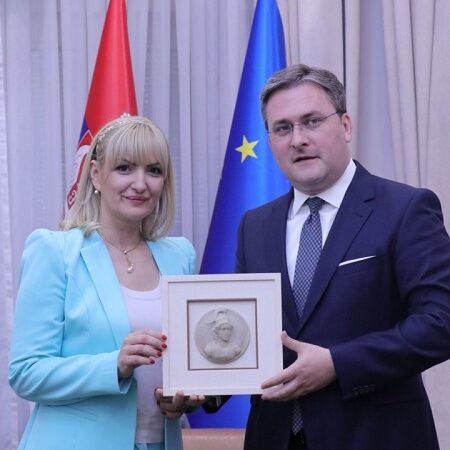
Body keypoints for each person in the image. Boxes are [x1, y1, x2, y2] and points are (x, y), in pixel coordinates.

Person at [235, 64, 450, 449]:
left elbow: (441, 321)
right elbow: (245, 332)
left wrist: (338, 363)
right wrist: (200, 389)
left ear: (346, 126)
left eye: (312, 121)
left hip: (376, 437)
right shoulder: (255, 225)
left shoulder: (405, 209)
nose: (298, 139)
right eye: (282, 128)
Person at [9, 116, 204, 450]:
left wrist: (183, 400)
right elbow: (26, 373)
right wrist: (113, 365)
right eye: (125, 168)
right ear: (96, 174)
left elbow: (188, 359)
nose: (140, 183)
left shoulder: (180, 255)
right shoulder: (54, 251)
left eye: (154, 170)